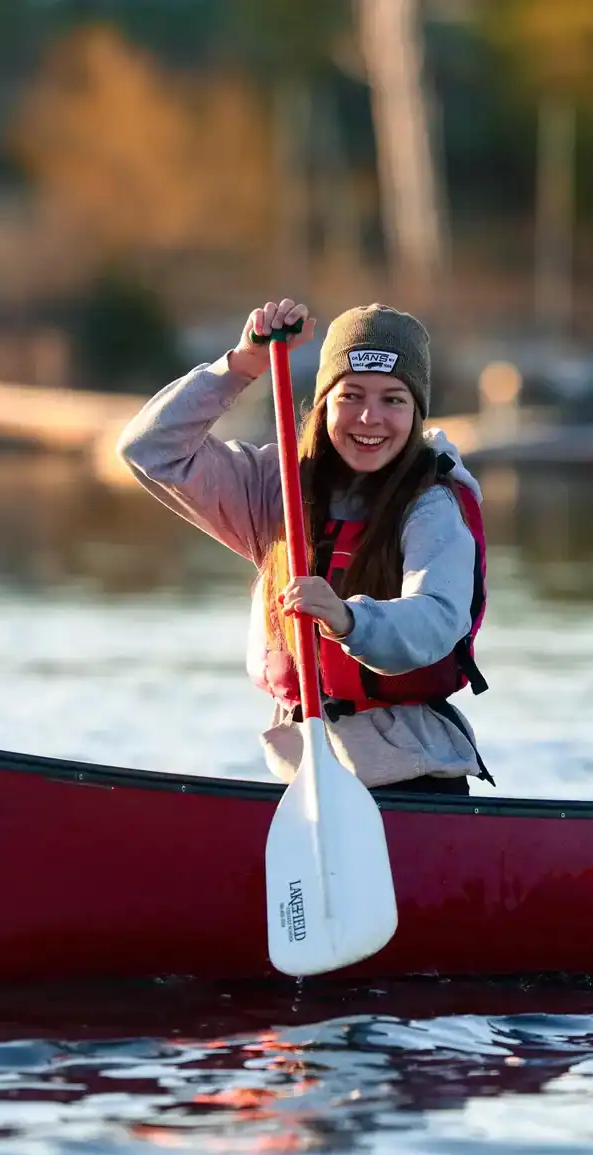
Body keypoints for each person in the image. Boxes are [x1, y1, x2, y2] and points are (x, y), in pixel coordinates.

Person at [117, 298, 491, 794]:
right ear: (323, 404)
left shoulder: (433, 505)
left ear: (417, 411)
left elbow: (435, 619)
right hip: (307, 776)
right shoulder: (278, 489)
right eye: (350, 395)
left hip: (413, 777)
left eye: (393, 400)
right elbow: (149, 449)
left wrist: (347, 619)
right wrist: (241, 364)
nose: (369, 418)